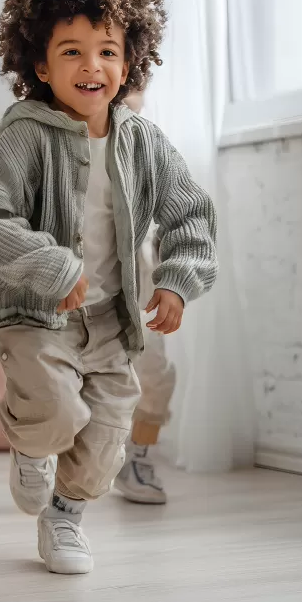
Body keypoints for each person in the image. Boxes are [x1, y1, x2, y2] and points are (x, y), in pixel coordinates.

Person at [0, 0, 218, 574]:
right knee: (54, 410)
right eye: (70, 50)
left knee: (105, 435)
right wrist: (49, 266)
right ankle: (31, 444)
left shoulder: (144, 142)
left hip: (111, 320)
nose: (91, 64)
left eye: (107, 49)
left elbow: (191, 214)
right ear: (40, 66)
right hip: (30, 312)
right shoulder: (22, 136)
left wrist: (179, 281)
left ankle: (65, 519)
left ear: (128, 64)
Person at [116, 90, 179, 505]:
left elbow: (175, 211)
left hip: (139, 279)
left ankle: (137, 456)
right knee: (66, 379)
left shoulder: (149, 145)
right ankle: (43, 452)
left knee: (157, 372)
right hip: (79, 282)